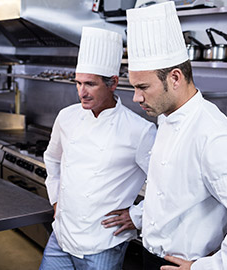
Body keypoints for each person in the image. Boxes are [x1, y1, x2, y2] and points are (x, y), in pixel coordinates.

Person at [126, 2, 227, 269]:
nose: (135, 97)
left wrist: (207, 268)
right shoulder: (166, 117)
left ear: (175, 78)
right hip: (150, 256)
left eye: (143, 87)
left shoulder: (214, 136)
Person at [39, 27, 157, 270]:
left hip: (103, 244)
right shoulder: (67, 117)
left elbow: (166, 185)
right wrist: (55, 201)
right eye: (78, 83)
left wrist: (137, 216)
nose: (82, 92)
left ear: (112, 83)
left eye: (90, 84)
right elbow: (52, 159)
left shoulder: (139, 130)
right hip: (61, 236)